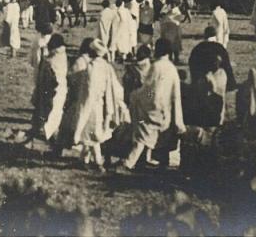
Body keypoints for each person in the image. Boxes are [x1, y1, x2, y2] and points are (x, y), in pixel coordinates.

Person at [117, 39, 185, 173]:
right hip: (165, 110)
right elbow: (176, 94)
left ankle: (128, 163)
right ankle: (161, 163)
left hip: (152, 107)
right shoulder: (172, 69)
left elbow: (149, 90)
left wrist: (136, 96)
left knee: (141, 138)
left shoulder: (156, 67)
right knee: (162, 138)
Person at [62, 39, 128, 171]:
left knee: (91, 135)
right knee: (91, 135)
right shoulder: (106, 66)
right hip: (101, 104)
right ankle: (83, 160)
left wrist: (83, 108)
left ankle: (98, 163)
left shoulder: (92, 67)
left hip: (91, 105)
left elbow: (90, 91)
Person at [30, 33, 69, 154]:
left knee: (49, 120)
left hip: (50, 93)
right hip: (61, 92)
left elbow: (46, 79)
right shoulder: (63, 56)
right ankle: (56, 147)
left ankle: (55, 147)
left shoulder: (49, 62)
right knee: (55, 119)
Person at [188, 27, 237, 92]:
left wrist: (194, 82)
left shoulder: (197, 49)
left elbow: (192, 66)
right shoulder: (220, 48)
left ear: (205, 35)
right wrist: (231, 84)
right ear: (215, 35)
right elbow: (227, 67)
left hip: (201, 82)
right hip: (218, 83)